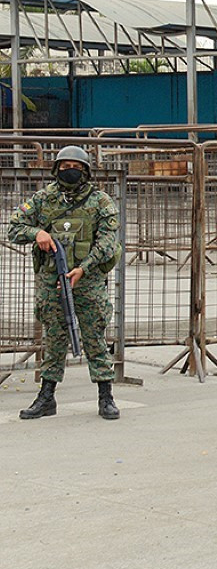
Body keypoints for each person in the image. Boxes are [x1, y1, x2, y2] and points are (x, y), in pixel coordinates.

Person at [8, 145, 121, 420]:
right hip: (52, 281)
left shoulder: (101, 201)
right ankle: (47, 396)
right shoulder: (43, 199)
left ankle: (106, 395)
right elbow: (14, 227)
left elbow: (108, 242)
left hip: (88, 281)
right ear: (56, 169)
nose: (69, 171)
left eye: (76, 167)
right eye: (64, 166)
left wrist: (83, 268)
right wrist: (37, 233)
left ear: (85, 171)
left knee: (94, 337)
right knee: (55, 337)